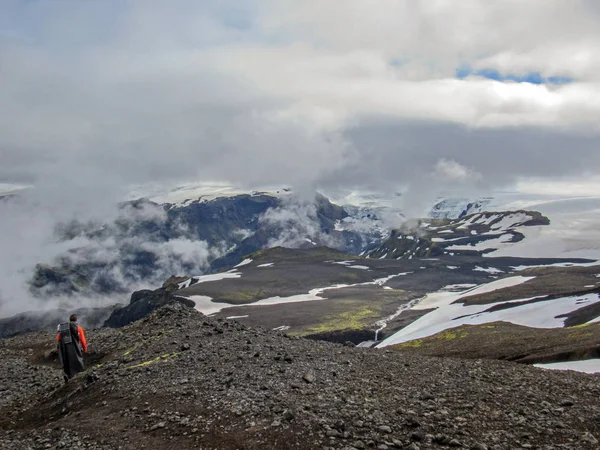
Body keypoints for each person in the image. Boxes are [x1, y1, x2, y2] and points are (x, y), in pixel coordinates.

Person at [56, 313, 88, 382]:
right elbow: (82, 340)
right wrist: (85, 349)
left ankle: (69, 376)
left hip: (65, 350)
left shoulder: (64, 329)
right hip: (75, 348)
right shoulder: (78, 328)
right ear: (76, 320)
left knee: (68, 363)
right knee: (78, 361)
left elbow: (58, 338)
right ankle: (80, 375)